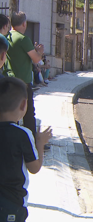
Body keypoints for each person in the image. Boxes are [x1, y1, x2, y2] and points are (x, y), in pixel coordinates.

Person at [0, 77, 52, 222]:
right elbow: (34, 168)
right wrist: (40, 143)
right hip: (14, 203)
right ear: (24, 105)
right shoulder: (23, 134)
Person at [3, 11, 44, 136]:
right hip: (24, 83)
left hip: (9, 80)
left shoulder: (7, 37)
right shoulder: (23, 39)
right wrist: (40, 51)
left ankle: (11, 138)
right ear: (24, 23)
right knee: (28, 113)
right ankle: (31, 140)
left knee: (11, 113)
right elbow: (36, 59)